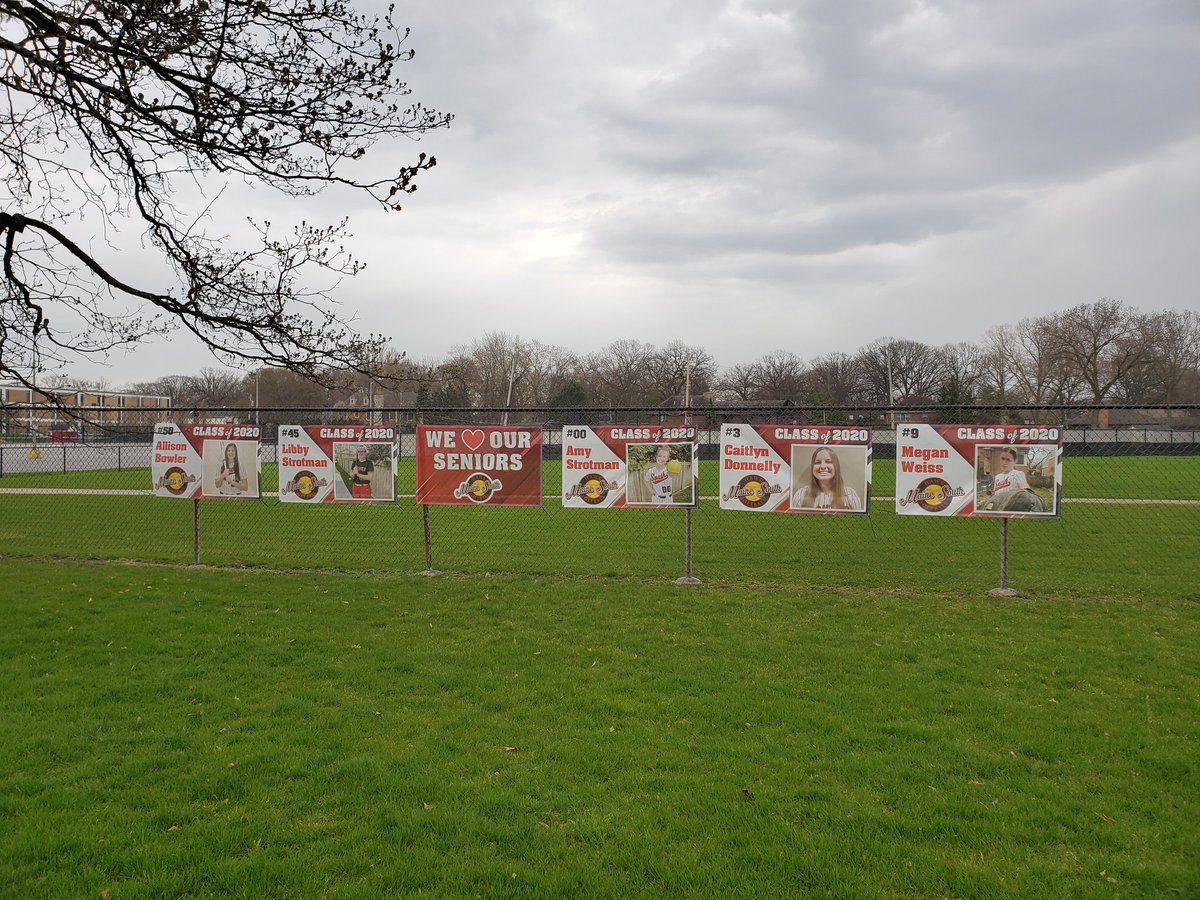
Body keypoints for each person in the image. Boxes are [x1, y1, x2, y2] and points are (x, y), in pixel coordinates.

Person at [793, 447, 861, 511]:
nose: (823, 466)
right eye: (818, 462)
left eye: (828, 462)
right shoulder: (801, 495)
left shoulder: (850, 495)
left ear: (835, 467)